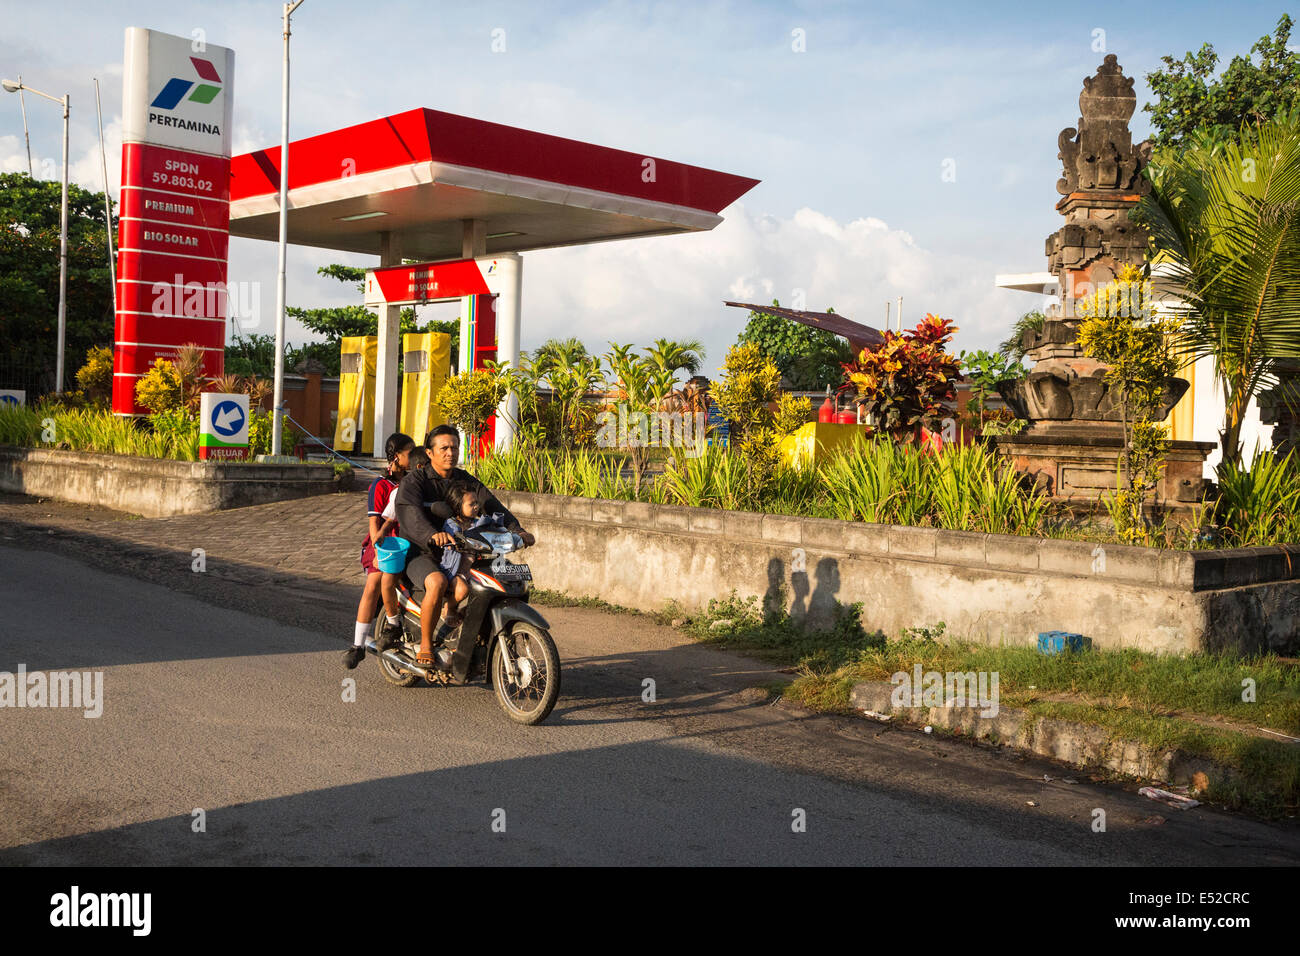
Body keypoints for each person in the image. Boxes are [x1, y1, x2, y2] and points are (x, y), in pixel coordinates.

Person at [391, 425, 534, 673]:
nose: (450, 453)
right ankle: (426, 645)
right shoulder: (415, 481)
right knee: (436, 582)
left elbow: (490, 503)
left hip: (458, 551)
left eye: (454, 447)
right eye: (444, 448)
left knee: (496, 576)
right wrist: (432, 535)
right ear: (430, 452)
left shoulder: (464, 480)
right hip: (421, 551)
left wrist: (517, 530)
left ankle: (465, 630)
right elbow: (410, 514)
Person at [343, 432, 416, 669]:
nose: (413, 457)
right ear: (397, 456)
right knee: (374, 581)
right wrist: (378, 550)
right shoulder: (380, 485)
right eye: (409, 453)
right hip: (385, 544)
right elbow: (374, 523)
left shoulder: (413, 482)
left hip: (408, 541)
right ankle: (358, 645)